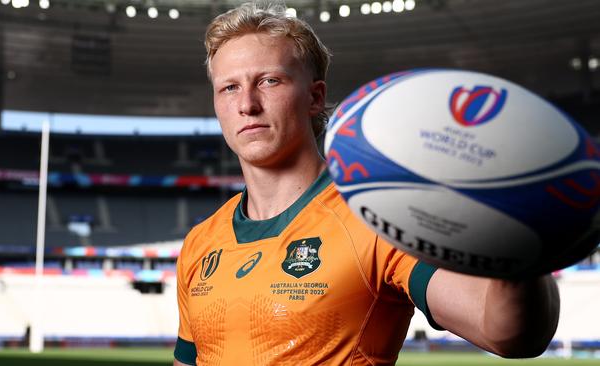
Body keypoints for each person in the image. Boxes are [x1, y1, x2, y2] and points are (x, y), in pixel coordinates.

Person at [173, 2, 560, 365]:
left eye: (270, 81)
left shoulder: (377, 214)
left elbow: (509, 333)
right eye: (230, 88)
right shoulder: (199, 244)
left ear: (315, 96)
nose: (247, 104)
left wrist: (520, 234)